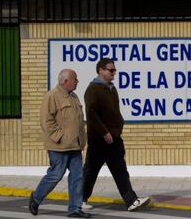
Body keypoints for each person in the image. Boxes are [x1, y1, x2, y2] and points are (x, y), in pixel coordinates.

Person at [82, 57, 150, 211]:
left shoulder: (111, 88)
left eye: (115, 70)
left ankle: (131, 200)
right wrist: (104, 132)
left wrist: (119, 125)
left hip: (114, 138)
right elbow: (91, 113)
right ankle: (80, 199)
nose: (114, 72)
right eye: (111, 70)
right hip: (99, 139)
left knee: (120, 170)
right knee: (91, 171)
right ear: (101, 71)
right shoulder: (93, 89)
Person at [28, 69, 91, 218]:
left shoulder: (74, 97)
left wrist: (82, 140)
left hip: (74, 146)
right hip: (58, 147)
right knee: (55, 175)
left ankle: (75, 209)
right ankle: (36, 198)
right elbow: (46, 121)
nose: (77, 82)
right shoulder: (51, 96)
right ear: (65, 81)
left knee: (77, 177)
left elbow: (78, 121)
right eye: (75, 79)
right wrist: (60, 137)